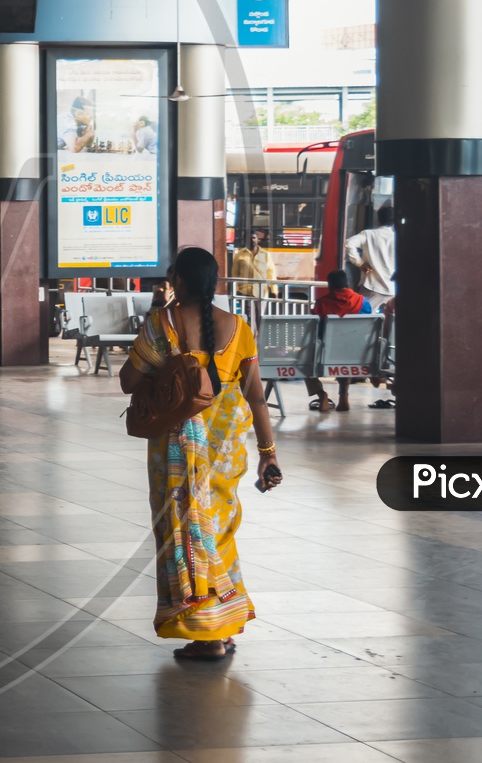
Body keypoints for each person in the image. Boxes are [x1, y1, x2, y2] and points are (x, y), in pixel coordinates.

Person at [120, 246, 281, 660]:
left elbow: (128, 380)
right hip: (225, 448)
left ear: (179, 281)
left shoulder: (163, 324)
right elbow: (256, 397)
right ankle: (222, 626)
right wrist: (268, 453)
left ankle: (207, 633)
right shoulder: (238, 327)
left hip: (175, 445)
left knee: (183, 531)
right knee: (218, 530)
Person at [304, 269, 373, 412]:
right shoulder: (363, 302)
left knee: (305, 360)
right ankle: (343, 395)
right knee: (345, 349)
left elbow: (315, 331)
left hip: (327, 353)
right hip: (357, 352)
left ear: (330, 286)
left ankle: (321, 394)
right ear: (347, 284)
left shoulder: (321, 304)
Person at [346, 204, 396, 308]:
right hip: (393, 289)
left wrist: (360, 263)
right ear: (394, 223)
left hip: (371, 287)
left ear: (378, 220)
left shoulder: (368, 235)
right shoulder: (398, 238)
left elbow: (348, 243)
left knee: (364, 320)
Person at [230, 229, 277, 298]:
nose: (252, 240)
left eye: (254, 238)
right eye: (249, 238)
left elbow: (271, 273)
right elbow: (234, 274)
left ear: (258, 239)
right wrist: (236, 290)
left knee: (260, 309)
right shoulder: (239, 255)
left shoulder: (265, 254)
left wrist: (274, 290)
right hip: (245, 292)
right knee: (247, 309)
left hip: (262, 292)